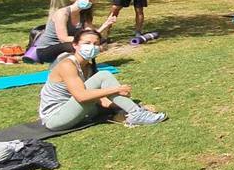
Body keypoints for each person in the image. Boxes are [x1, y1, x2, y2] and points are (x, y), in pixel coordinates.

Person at [38, 27, 166, 129]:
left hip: (75, 111)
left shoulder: (88, 67)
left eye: (96, 44)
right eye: (87, 43)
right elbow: (81, 96)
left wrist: (121, 105)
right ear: (75, 45)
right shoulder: (67, 64)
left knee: (103, 102)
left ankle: (134, 111)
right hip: (55, 118)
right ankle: (136, 113)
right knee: (104, 76)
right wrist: (115, 90)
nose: (92, 47)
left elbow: (99, 99)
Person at [33, 0, 116, 64]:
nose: (87, 2)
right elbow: (63, 38)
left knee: (101, 41)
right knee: (80, 46)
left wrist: (105, 25)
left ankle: (84, 65)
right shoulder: (62, 13)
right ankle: (73, 66)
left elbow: (90, 35)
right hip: (46, 49)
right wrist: (85, 42)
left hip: (70, 44)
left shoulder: (84, 15)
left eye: (90, 1)